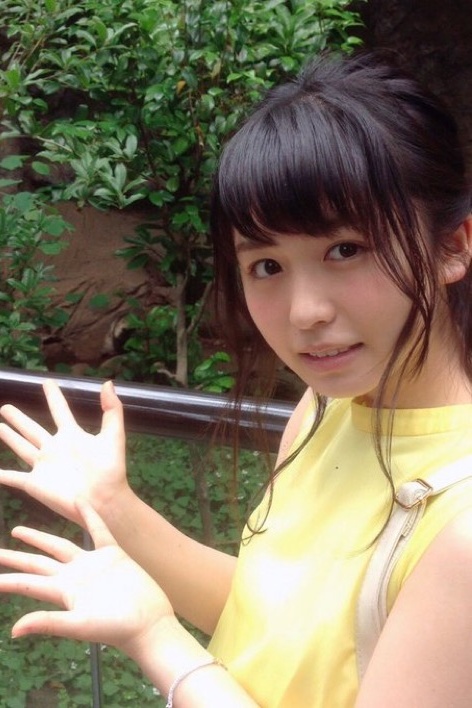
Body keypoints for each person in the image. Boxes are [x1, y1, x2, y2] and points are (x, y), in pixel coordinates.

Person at [0, 50, 471, 707]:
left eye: (346, 250)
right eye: (267, 266)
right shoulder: (325, 409)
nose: (305, 312)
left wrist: (157, 638)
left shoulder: (460, 525)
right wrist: (111, 506)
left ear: (453, 246)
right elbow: (272, 622)